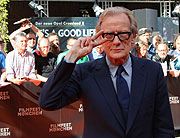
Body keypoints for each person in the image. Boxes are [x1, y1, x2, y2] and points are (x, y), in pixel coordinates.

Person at [39, 7, 174, 138]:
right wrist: (71, 57)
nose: (116, 41)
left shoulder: (152, 71)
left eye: (123, 34)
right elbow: (48, 102)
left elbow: (163, 126)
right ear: (100, 38)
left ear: (133, 37)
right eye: (109, 35)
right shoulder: (85, 72)